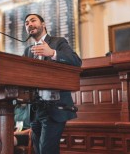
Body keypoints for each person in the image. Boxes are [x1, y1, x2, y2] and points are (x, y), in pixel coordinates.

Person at [23, 14, 82, 154]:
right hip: (35, 109)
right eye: (26, 23)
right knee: (38, 150)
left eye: (33, 20)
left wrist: (52, 53)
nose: (29, 24)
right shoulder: (27, 50)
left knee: (47, 151)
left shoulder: (58, 42)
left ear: (43, 24)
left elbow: (76, 61)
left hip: (55, 107)